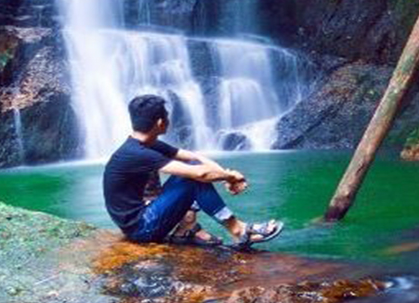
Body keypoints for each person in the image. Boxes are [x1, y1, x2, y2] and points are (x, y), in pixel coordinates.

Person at [102, 94, 283, 249]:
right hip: (141, 229)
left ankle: (185, 230)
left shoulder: (144, 144)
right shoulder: (137, 153)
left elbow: (193, 157)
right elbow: (199, 174)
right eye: (167, 116)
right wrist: (231, 176)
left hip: (142, 217)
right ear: (160, 122)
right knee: (190, 179)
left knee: (193, 170)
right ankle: (239, 231)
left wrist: (227, 177)